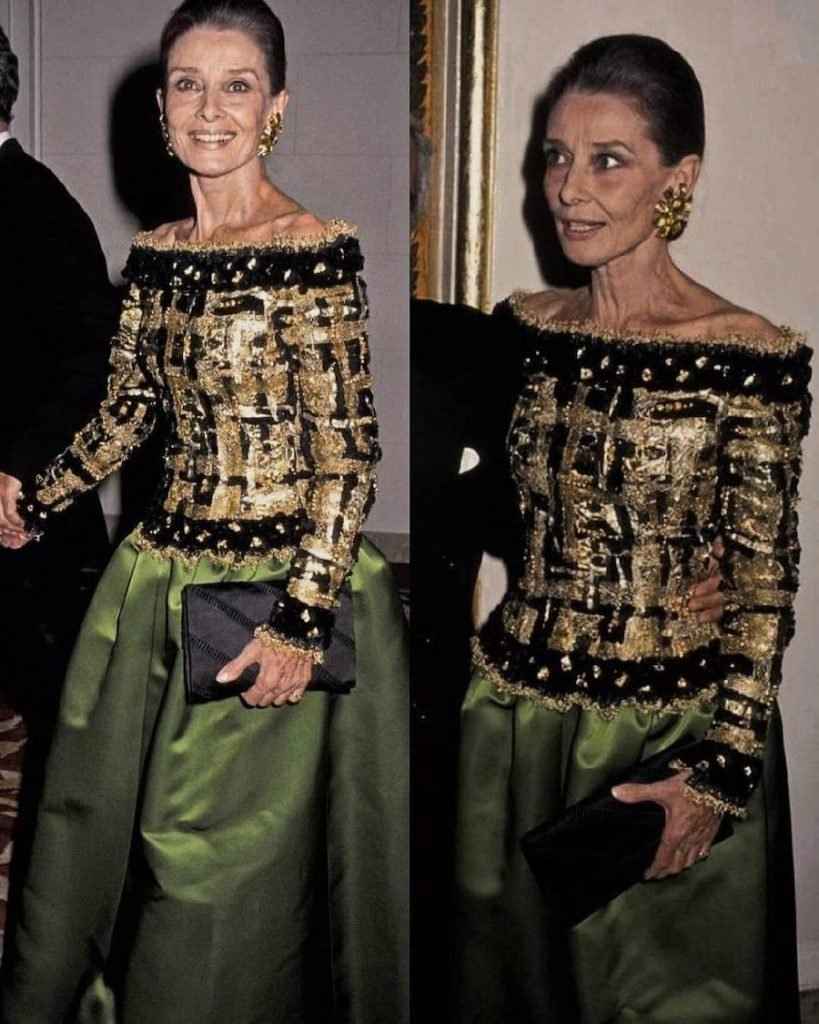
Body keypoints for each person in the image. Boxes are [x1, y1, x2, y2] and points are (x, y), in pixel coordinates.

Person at [0, 2, 408, 1021]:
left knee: (209, 875)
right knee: (105, 843)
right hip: (155, 584)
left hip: (268, 599)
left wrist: (300, 621)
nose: (209, 108)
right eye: (188, 83)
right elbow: (128, 413)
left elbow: (348, 456)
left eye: (236, 85)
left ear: (275, 107)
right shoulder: (156, 255)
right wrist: (32, 495)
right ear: (161, 105)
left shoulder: (314, 251)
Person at [452, 34, 810, 1023]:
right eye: (556, 157)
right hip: (513, 727)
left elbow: (765, 587)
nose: (569, 189)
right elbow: (477, 499)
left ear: (677, 178)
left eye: (608, 160)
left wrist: (721, 772)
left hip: (669, 735)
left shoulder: (745, 356)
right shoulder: (521, 330)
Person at [0, 25, 115, 753]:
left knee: (59, 719)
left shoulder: (38, 206)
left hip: (22, 502)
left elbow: (90, 362)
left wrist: (21, 474)